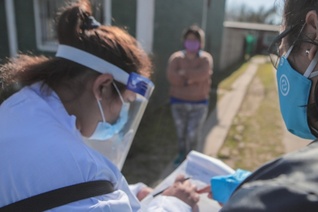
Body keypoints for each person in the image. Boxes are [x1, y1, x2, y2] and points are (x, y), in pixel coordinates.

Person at [0, 0, 200, 211]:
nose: (121, 116)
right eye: (126, 103)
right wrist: (177, 202)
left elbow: (77, 196)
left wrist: (133, 192)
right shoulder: (73, 166)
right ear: (103, 87)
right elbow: (81, 188)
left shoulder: (19, 109)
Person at [201, 0, 318, 211]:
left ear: (312, 35)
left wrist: (269, 196)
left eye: (282, 45)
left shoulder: (302, 194)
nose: (282, 57)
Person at [166, 25, 213, 165]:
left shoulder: (205, 59)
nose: (191, 42)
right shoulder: (176, 58)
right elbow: (171, 76)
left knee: (193, 134)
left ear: (200, 42)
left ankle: (192, 159)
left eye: (195, 40)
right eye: (189, 39)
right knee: (181, 133)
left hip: (199, 104)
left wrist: (183, 74)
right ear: (184, 41)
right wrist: (192, 78)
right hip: (178, 103)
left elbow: (203, 74)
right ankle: (182, 154)